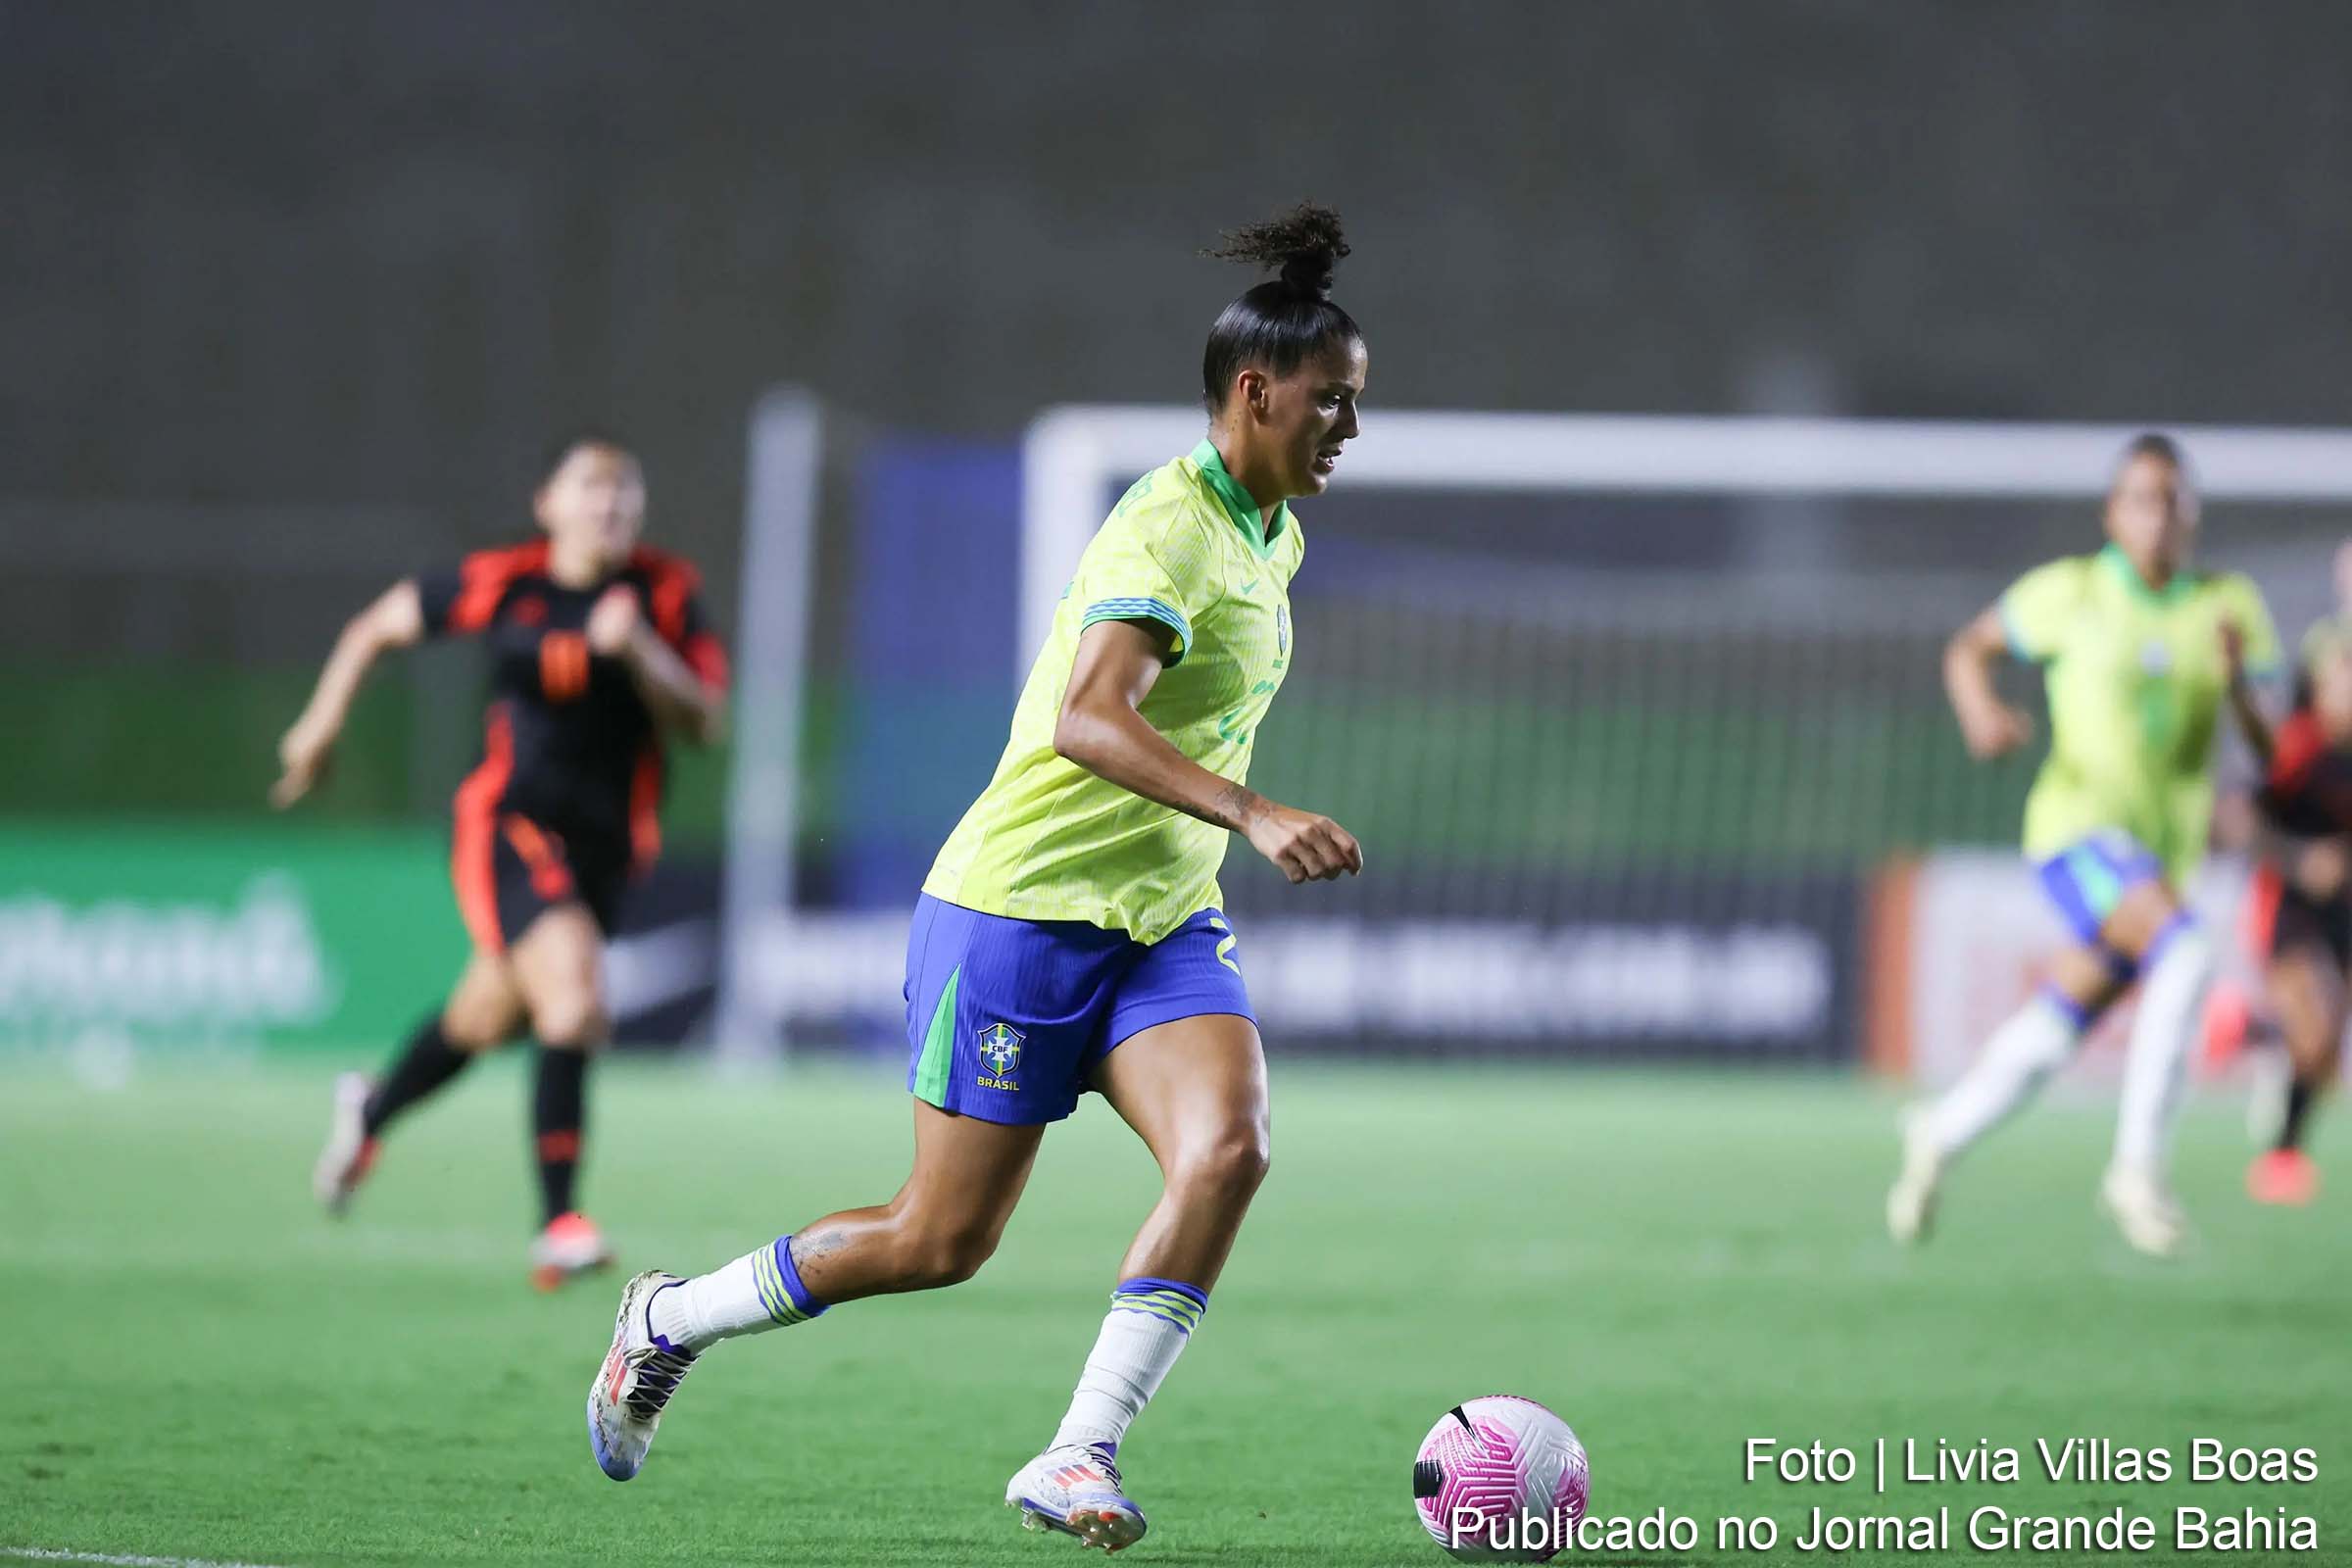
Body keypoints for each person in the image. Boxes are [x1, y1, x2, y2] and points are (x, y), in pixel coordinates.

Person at [582, 203, 1367, 1553]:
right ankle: (669, 1320)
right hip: (1018, 913)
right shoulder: (1166, 531)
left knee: (1228, 1151)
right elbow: (1087, 719)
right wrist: (1251, 810)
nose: (1350, 426)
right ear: (1256, 393)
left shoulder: (1271, 531)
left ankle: (1078, 1451)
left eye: (1356, 400)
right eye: (1333, 400)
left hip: (1159, 919)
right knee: (938, 1240)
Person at [278, 433, 727, 1289]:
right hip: (509, 825)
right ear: (547, 504)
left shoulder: (665, 593)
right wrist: (321, 723)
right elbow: (374, 627)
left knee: (484, 1018)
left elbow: (705, 721)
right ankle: (558, 1222)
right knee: (575, 1000)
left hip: (606, 851)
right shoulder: (505, 580)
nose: (609, 504)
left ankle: (369, 1111)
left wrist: (639, 648)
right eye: (590, 487)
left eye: (624, 490)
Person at [1887, 432, 2279, 1256]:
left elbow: (2274, 749)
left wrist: (2242, 686)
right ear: (2112, 514)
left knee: (2066, 1016)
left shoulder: (2228, 604)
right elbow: (1969, 648)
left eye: (2171, 499)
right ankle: (2137, 1170)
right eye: (2140, 499)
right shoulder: (2071, 591)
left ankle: (1939, 1131)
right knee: (2185, 951)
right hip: (2077, 835)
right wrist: (1982, 713)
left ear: (2193, 513)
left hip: (2161, 857)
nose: (2156, 515)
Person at [2240, 619, 2352, 1203]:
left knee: (2327, 1051)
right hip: (2289, 908)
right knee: (2314, 1030)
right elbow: (2239, 822)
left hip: (2343, 911)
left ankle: (2253, 1031)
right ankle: (2281, 1151)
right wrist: (2299, 858)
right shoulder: (2296, 746)